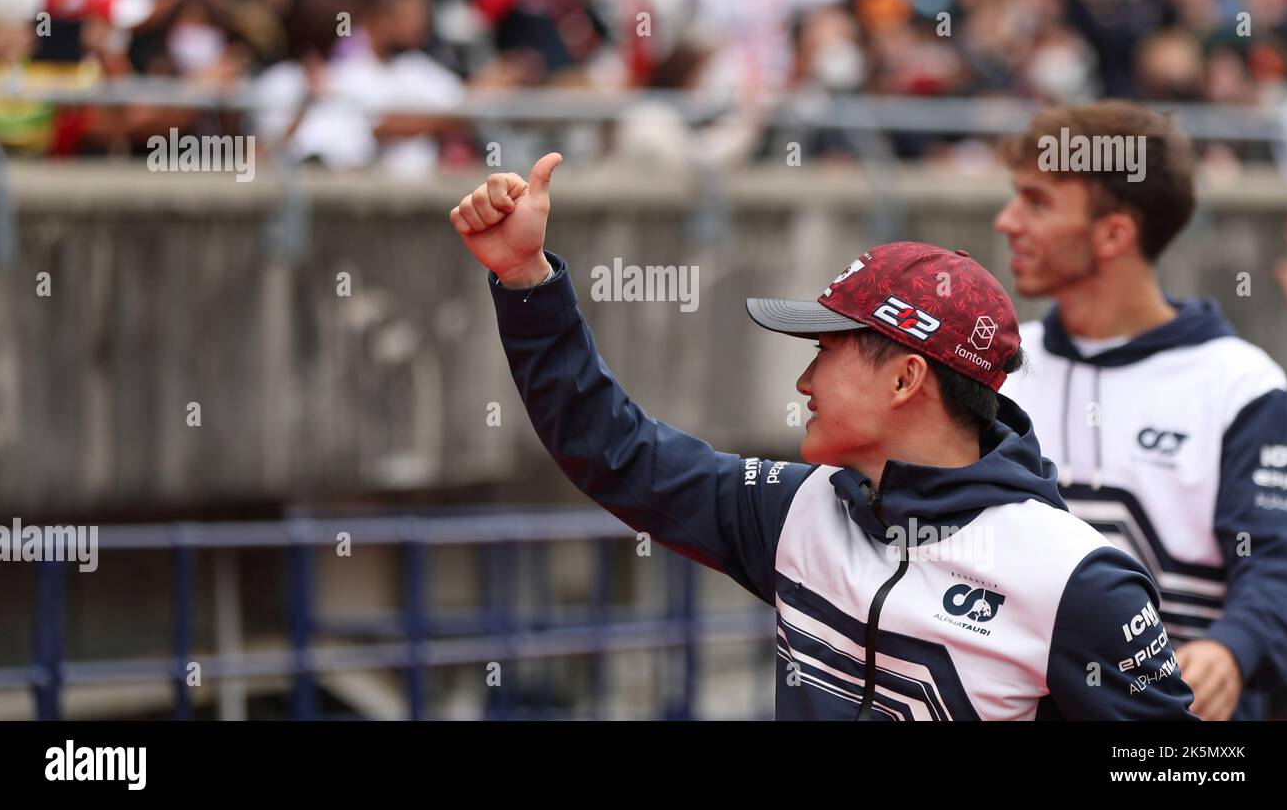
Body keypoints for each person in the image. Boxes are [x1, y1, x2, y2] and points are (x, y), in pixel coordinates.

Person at [449, 153, 1196, 720]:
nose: (803, 383)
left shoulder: (1078, 580)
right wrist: (526, 279)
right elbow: (613, 449)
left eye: (825, 351)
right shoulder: (793, 507)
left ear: (906, 379)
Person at [995, 100, 1287, 721]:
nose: (1007, 221)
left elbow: (1278, 563)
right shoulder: (991, 368)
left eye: (1036, 202)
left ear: (1113, 234)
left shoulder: (1241, 383)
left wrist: (1232, 650)